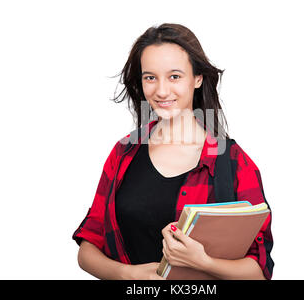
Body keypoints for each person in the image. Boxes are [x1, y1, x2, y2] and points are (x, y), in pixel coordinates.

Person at [72, 23, 274, 280]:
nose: (161, 91)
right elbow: (88, 246)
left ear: (197, 78)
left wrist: (204, 262)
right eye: (150, 77)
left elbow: (259, 271)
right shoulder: (124, 153)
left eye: (175, 76)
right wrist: (126, 274)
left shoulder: (234, 164)